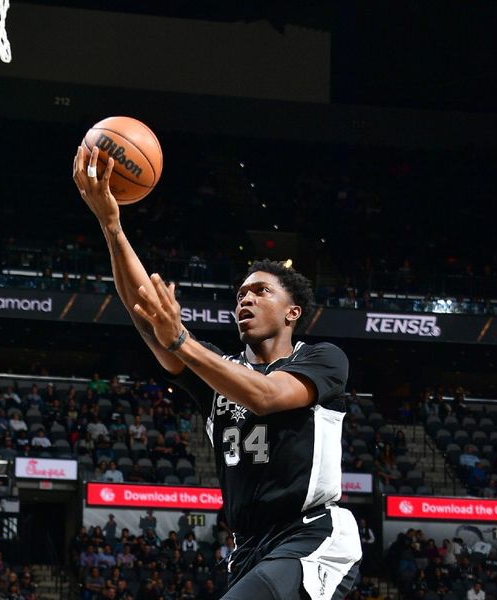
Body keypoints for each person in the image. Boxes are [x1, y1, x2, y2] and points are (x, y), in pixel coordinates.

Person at [73, 146, 361, 599]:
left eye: (261, 291)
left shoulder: (323, 359)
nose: (245, 299)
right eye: (241, 293)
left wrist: (181, 341)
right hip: (247, 549)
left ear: (292, 312)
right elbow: (145, 311)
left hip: (310, 536)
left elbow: (264, 396)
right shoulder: (217, 376)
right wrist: (112, 228)